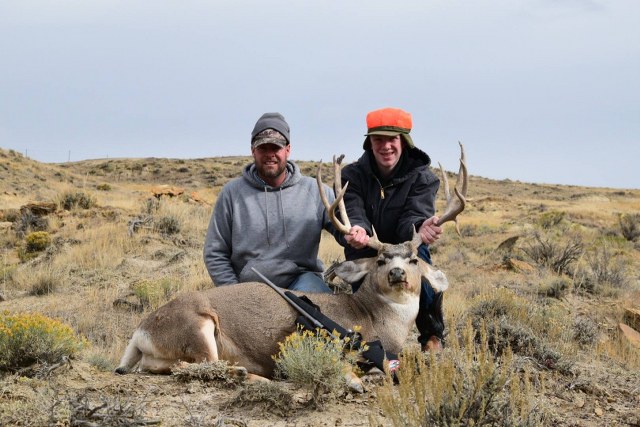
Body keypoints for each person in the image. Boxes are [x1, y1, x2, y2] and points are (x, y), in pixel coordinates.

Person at [338, 107, 445, 351]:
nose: (386, 146)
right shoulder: (352, 175)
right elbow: (353, 210)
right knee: (366, 304)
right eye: (378, 140)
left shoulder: (423, 178)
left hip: (404, 248)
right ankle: (370, 341)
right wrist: (358, 230)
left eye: (392, 139)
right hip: (368, 250)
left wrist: (420, 227)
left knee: (422, 265)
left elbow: (415, 215)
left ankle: (432, 336)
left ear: (404, 142)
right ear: (370, 143)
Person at [203, 112, 335, 293]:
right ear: (253, 151)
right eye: (263, 148)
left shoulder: (316, 191)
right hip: (248, 287)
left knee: (323, 315)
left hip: (301, 281)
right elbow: (215, 252)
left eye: (276, 148)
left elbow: (346, 232)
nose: (270, 154)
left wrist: (356, 233)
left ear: (288, 149)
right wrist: (232, 292)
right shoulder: (232, 194)